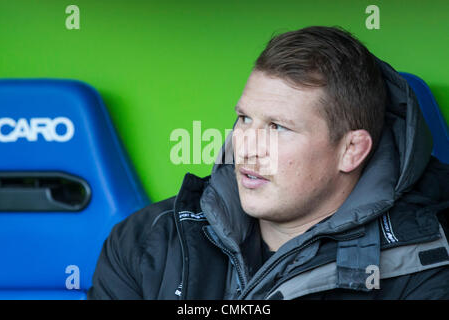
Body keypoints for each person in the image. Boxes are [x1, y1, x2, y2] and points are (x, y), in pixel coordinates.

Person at [87, 26, 449, 300]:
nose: (245, 147)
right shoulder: (146, 240)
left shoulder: (426, 262)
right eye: (245, 119)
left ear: (351, 150)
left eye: (277, 127)